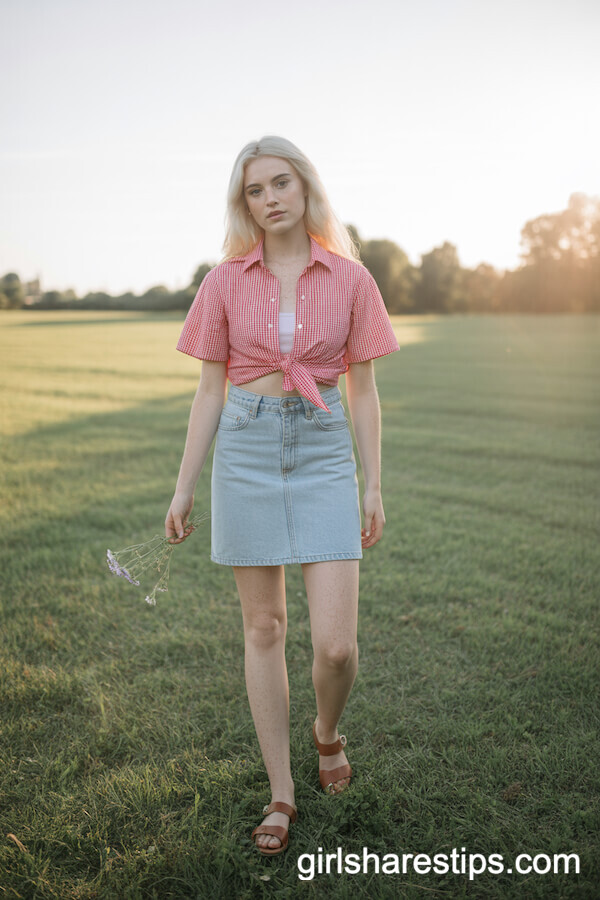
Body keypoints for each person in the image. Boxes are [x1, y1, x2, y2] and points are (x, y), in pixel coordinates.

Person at [165, 136, 400, 856]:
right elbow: (209, 389)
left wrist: (372, 483)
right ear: (245, 205)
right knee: (263, 628)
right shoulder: (224, 281)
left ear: (305, 188)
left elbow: (363, 389)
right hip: (246, 446)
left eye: (279, 184)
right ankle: (281, 792)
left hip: (324, 447)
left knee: (335, 646)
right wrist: (183, 488)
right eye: (254, 191)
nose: (268, 199)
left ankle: (326, 732)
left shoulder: (352, 279)